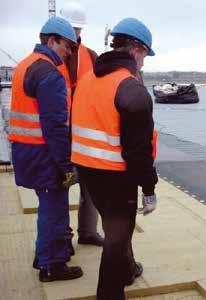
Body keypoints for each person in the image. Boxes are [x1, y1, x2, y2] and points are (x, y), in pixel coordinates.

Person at [71, 17, 157, 299]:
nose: (144, 62)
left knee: (114, 227)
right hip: (116, 178)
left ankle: (127, 268)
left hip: (87, 171)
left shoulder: (87, 80)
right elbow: (138, 152)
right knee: (117, 238)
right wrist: (149, 189)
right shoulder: (132, 89)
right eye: (145, 54)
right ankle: (110, 293)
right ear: (136, 50)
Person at [8, 17, 83, 282]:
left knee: (47, 205)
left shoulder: (25, 65)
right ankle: (52, 266)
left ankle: (43, 255)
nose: (70, 52)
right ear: (52, 40)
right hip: (44, 154)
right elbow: (55, 126)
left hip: (25, 150)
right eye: (68, 46)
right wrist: (66, 165)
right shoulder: (50, 74)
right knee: (54, 207)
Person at [60, 1, 103, 247]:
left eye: (78, 29)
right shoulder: (51, 57)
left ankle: (88, 232)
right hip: (59, 132)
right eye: (71, 28)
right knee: (60, 187)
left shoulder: (91, 56)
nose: (75, 33)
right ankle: (62, 238)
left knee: (90, 187)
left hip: (84, 133)